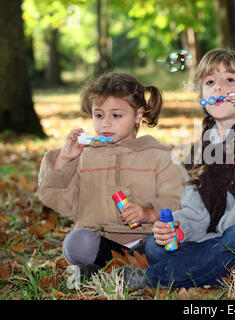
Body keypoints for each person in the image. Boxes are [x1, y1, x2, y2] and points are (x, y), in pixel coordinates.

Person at [122, 48, 235, 289]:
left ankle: (154, 278)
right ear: (203, 96)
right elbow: (195, 215)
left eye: (230, 80)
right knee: (155, 246)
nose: (219, 87)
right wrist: (177, 231)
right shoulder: (197, 153)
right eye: (210, 82)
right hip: (216, 240)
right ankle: (229, 268)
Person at [38, 72, 184, 275]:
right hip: (100, 243)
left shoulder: (160, 156)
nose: (105, 123)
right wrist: (64, 159)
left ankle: (103, 271)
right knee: (75, 242)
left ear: (138, 115)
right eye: (99, 115)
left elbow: (177, 200)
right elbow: (58, 201)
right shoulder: (87, 156)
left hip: (145, 240)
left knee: (162, 246)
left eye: (116, 115)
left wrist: (147, 213)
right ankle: (119, 269)